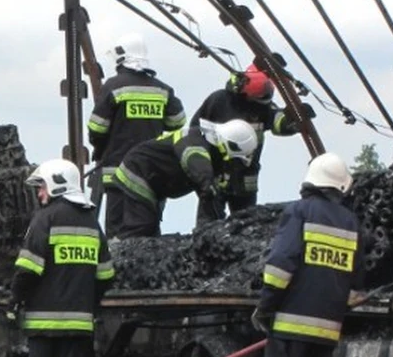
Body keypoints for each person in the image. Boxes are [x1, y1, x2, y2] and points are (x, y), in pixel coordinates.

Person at [252, 153, 364, 357]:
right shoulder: (350, 221)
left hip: (292, 319)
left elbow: (281, 264)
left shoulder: (299, 211)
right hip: (329, 323)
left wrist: (265, 306)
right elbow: (358, 278)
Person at [11, 159, 114, 357]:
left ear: (57, 185)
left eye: (42, 187)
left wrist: (15, 299)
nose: (39, 194)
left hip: (42, 319)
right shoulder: (92, 223)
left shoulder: (45, 219)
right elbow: (106, 274)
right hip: (78, 319)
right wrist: (89, 301)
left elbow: (28, 268)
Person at [87, 33, 186, 235]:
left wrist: (100, 147)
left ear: (121, 57)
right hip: (152, 172)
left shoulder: (114, 86)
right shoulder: (162, 89)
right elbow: (178, 122)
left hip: (116, 169)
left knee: (116, 231)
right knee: (148, 229)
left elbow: (96, 128)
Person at [189, 63, 315, 222]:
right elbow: (194, 133)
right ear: (246, 94)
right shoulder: (218, 101)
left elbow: (277, 122)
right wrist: (201, 173)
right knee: (206, 228)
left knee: (247, 228)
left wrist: (293, 118)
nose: (263, 102)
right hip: (215, 179)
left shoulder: (262, 107)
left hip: (246, 182)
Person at [110, 119, 258, 238]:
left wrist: (212, 232)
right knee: (141, 227)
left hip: (155, 181)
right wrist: (207, 183)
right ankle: (117, 255)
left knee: (151, 231)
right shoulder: (194, 139)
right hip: (139, 170)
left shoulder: (215, 158)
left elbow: (210, 199)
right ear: (230, 147)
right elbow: (194, 158)